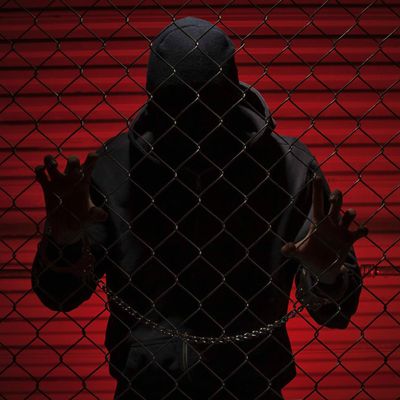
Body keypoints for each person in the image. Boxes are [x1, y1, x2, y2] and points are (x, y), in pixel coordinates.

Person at [31, 17, 368, 400]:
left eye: (206, 107)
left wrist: (328, 276)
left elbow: (337, 313)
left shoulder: (288, 166)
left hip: (251, 389)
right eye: (177, 109)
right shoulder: (115, 166)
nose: (192, 128)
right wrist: (64, 243)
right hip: (147, 391)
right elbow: (59, 296)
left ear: (231, 97)